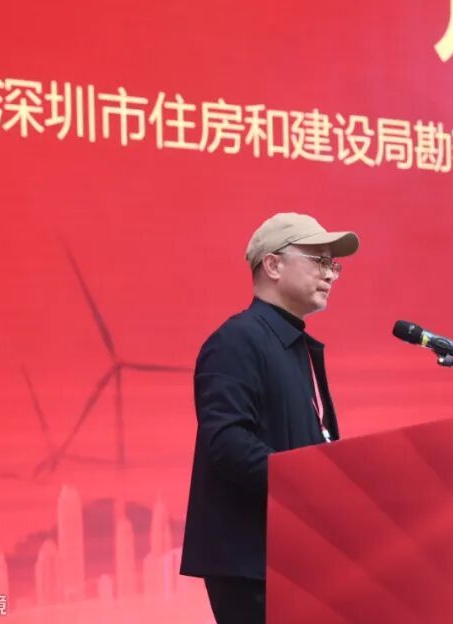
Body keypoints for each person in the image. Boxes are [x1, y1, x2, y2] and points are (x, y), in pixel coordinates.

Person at [180, 212, 359, 624]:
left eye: (333, 265)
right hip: (253, 563)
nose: (329, 274)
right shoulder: (237, 340)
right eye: (319, 260)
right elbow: (227, 443)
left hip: (297, 554)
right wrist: (311, 481)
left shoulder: (293, 345)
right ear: (273, 265)